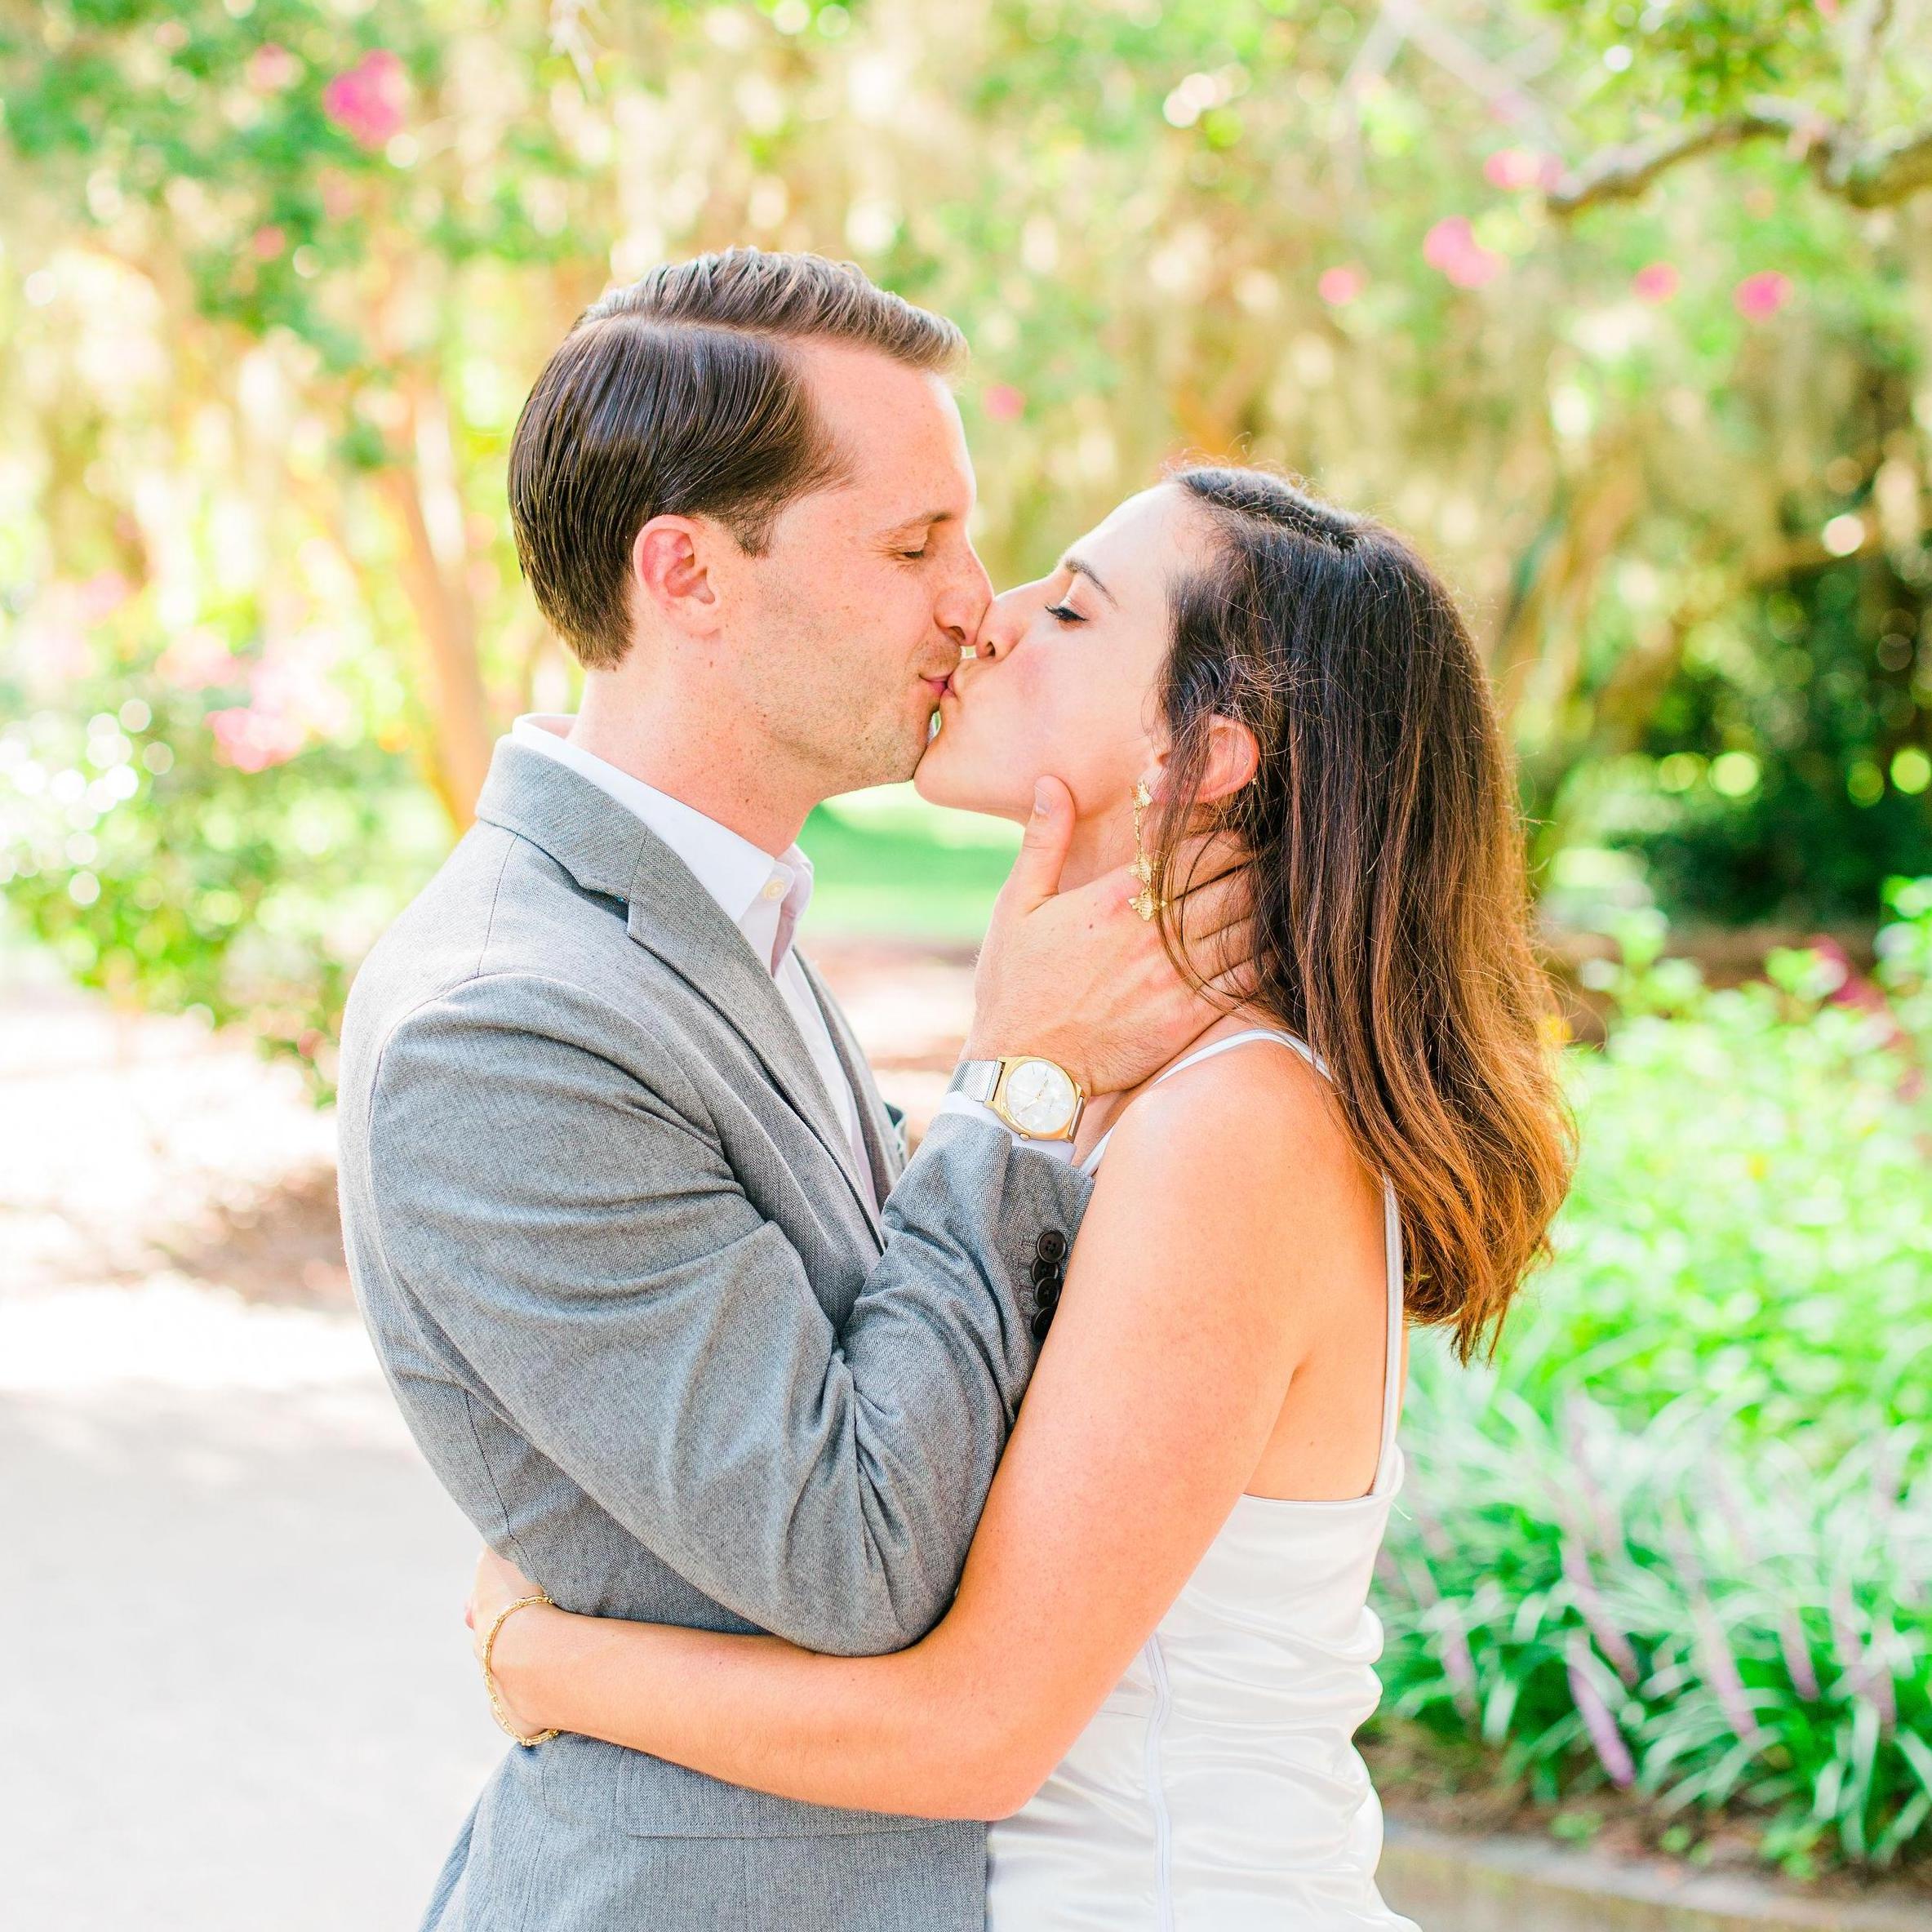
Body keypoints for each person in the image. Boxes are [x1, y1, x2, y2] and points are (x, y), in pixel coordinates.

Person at [461, 464, 1576, 1929]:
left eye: (1071, 608)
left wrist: (547, 1662)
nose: (987, 618)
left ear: (1207, 755)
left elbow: (975, 1734)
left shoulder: (1237, 1129)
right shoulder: (1104, 1076)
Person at [335, 250, 1246, 1932]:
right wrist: (1013, 1085)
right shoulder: (507, 1020)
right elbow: (851, 1550)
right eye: (913, 546)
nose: (974, 602)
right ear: (686, 571)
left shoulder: (721, 920)